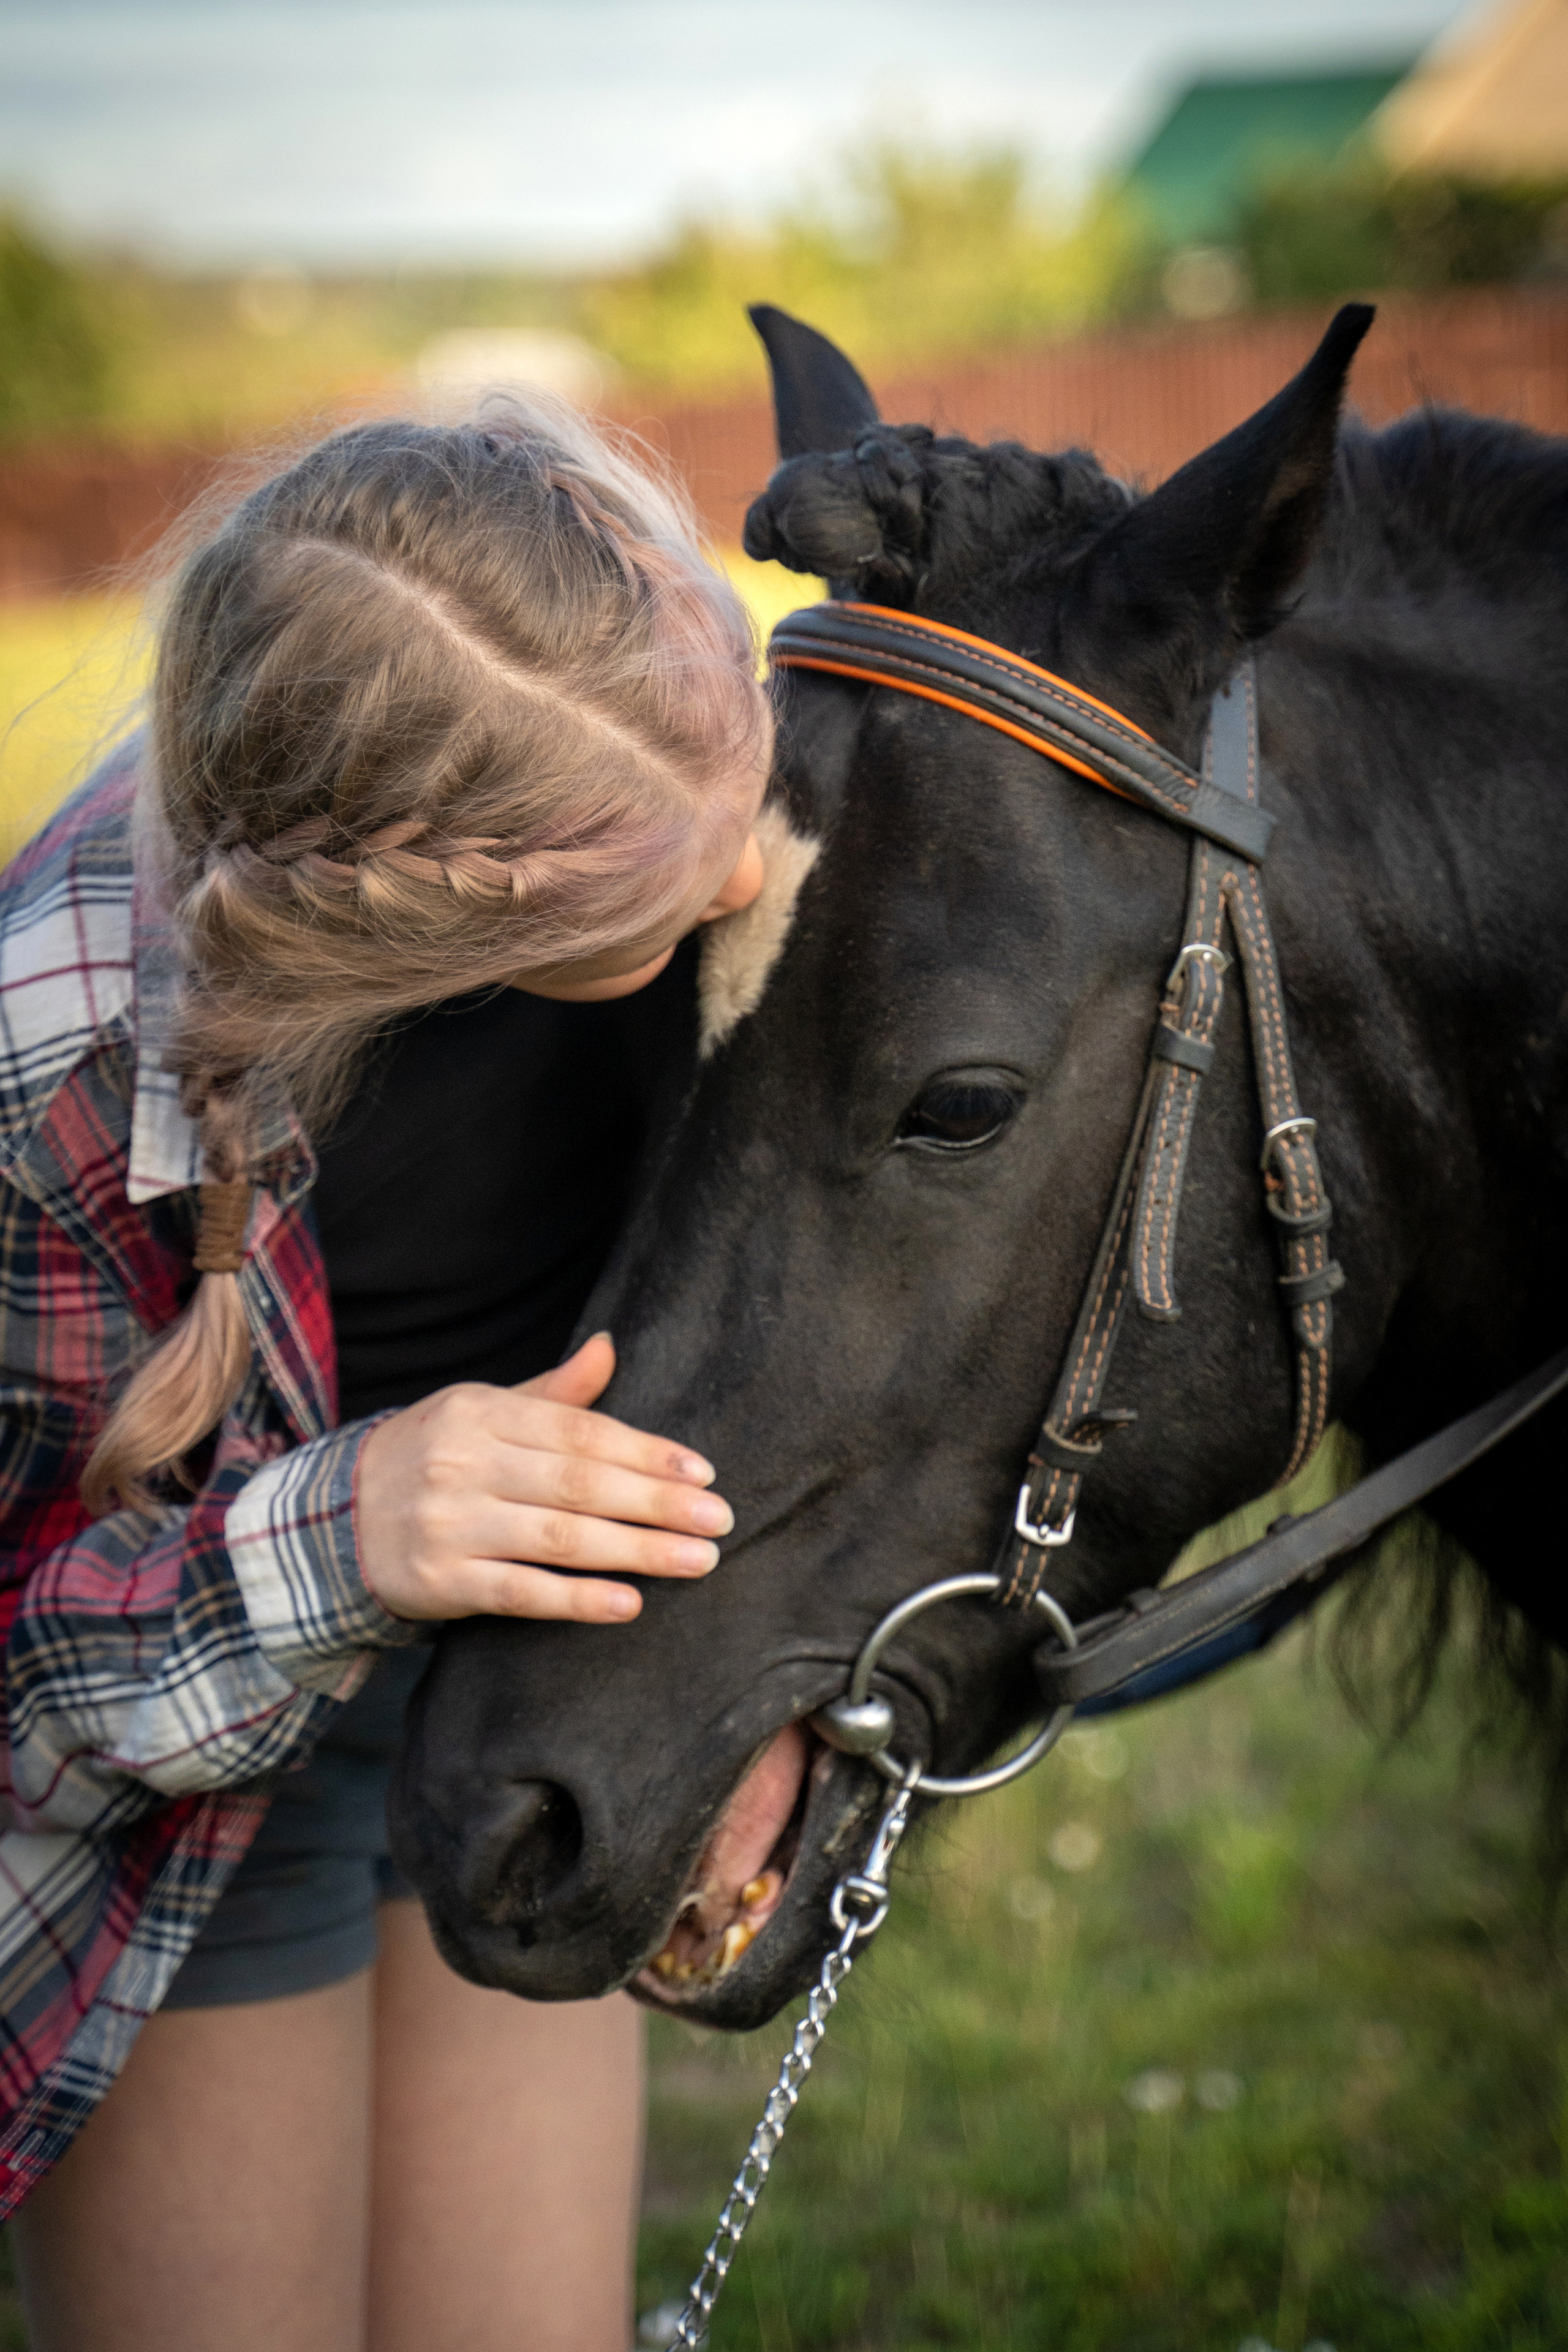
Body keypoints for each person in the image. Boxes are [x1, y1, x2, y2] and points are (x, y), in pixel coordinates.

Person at [0, 399, 774, 2352]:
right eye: (672, 874)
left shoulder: (703, 766)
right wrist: (343, 1539)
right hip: (175, 1777)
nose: (748, 867)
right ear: (459, 893)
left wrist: (774, 1696)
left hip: (530, 1684)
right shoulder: (59, 1061)